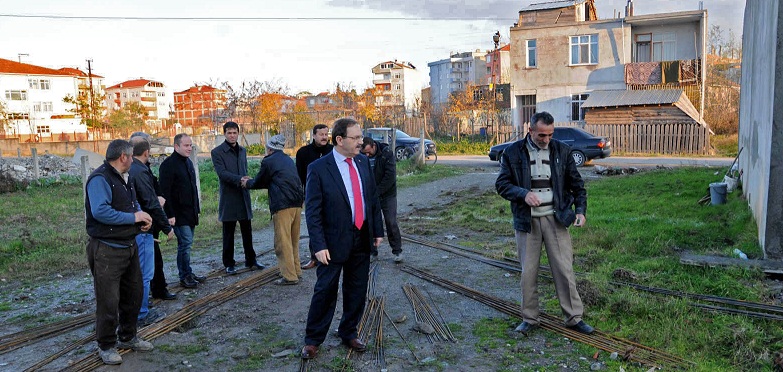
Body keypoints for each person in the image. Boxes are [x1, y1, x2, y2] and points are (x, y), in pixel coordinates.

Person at [495, 111, 594, 336]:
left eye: (550, 134)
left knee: (564, 270)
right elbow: (501, 184)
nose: (546, 139)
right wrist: (522, 194)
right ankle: (530, 318)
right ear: (530, 131)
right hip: (527, 222)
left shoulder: (562, 151)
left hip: (557, 219)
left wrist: (580, 211)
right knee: (528, 273)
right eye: (541, 135)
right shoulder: (512, 153)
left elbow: (578, 186)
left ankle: (574, 317)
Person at [301, 118, 384, 360]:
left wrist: (377, 230)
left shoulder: (362, 161)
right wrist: (318, 245)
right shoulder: (319, 168)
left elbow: (372, 198)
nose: (362, 142)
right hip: (332, 242)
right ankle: (313, 340)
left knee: (357, 289)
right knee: (325, 291)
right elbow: (313, 210)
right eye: (356, 138)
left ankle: (348, 331)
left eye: (361, 137)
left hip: (361, 237)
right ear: (340, 140)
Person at [85, 139, 154, 365]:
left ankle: (128, 336)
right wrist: (133, 218)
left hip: (128, 246)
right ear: (123, 156)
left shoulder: (125, 178)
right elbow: (101, 212)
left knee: (133, 294)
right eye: (131, 156)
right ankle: (105, 345)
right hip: (106, 250)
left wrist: (141, 218)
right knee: (108, 301)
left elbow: (131, 205)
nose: (133, 159)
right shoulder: (99, 179)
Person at [244, 134, 304, 285]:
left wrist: (247, 183)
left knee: (282, 242)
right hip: (297, 204)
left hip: (282, 205)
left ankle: (289, 276)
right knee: (293, 239)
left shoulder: (269, 161)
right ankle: (296, 270)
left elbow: (260, 181)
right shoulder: (288, 160)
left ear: (269, 148)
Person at [128, 138, 174, 327]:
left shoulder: (129, 170)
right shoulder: (139, 172)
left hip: (131, 227)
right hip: (142, 228)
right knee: (144, 273)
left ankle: (137, 307)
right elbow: (151, 202)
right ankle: (142, 313)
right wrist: (167, 227)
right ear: (146, 153)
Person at [211, 121, 263, 275]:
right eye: (229, 133)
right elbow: (222, 174)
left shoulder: (242, 150)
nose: (232, 135)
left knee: (247, 231)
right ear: (224, 134)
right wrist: (241, 179)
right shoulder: (217, 152)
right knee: (229, 232)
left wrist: (245, 180)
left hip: (243, 195)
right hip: (229, 197)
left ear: (238, 133)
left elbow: (244, 169)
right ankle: (229, 263)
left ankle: (251, 260)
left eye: (234, 133)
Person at [159, 133, 205, 289]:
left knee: (187, 243)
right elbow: (165, 193)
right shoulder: (168, 165)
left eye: (190, 145)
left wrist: (196, 209)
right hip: (178, 214)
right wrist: (170, 215)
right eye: (186, 145)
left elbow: (192, 189)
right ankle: (184, 276)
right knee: (185, 243)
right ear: (176, 146)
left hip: (190, 212)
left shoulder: (188, 163)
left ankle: (188, 272)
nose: (189, 148)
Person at [295, 124, 333, 270]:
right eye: (321, 134)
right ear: (314, 135)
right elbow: (300, 176)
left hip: (332, 194)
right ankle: (314, 257)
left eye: (326, 134)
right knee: (315, 224)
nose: (324, 137)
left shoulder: (333, 151)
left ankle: (333, 253)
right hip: (313, 194)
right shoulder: (303, 153)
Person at [360, 137, 403, 262]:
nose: (367, 155)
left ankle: (397, 250)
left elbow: (390, 177)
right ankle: (372, 251)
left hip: (387, 194)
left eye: (369, 152)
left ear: (374, 146)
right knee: (370, 223)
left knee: (391, 221)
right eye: (365, 153)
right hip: (369, 195)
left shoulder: (387, 154)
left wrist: (377, 192)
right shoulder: (362, 157)